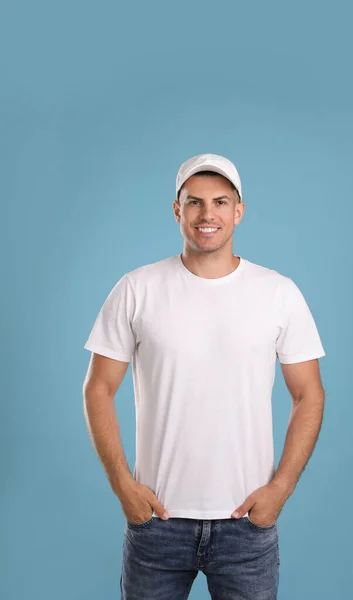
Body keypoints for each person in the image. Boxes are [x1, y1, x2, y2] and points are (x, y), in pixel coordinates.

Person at [83, 153, 326, 599]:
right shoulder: (137, 288)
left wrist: (281, 489)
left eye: (220, 201)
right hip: (157, 523)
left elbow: (308, 394)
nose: (207, 214)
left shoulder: (278, 293)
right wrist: (123, 486)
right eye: (194, 202)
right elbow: (98, 386)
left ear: (239, 211)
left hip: (246, 526)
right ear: (178, 210)